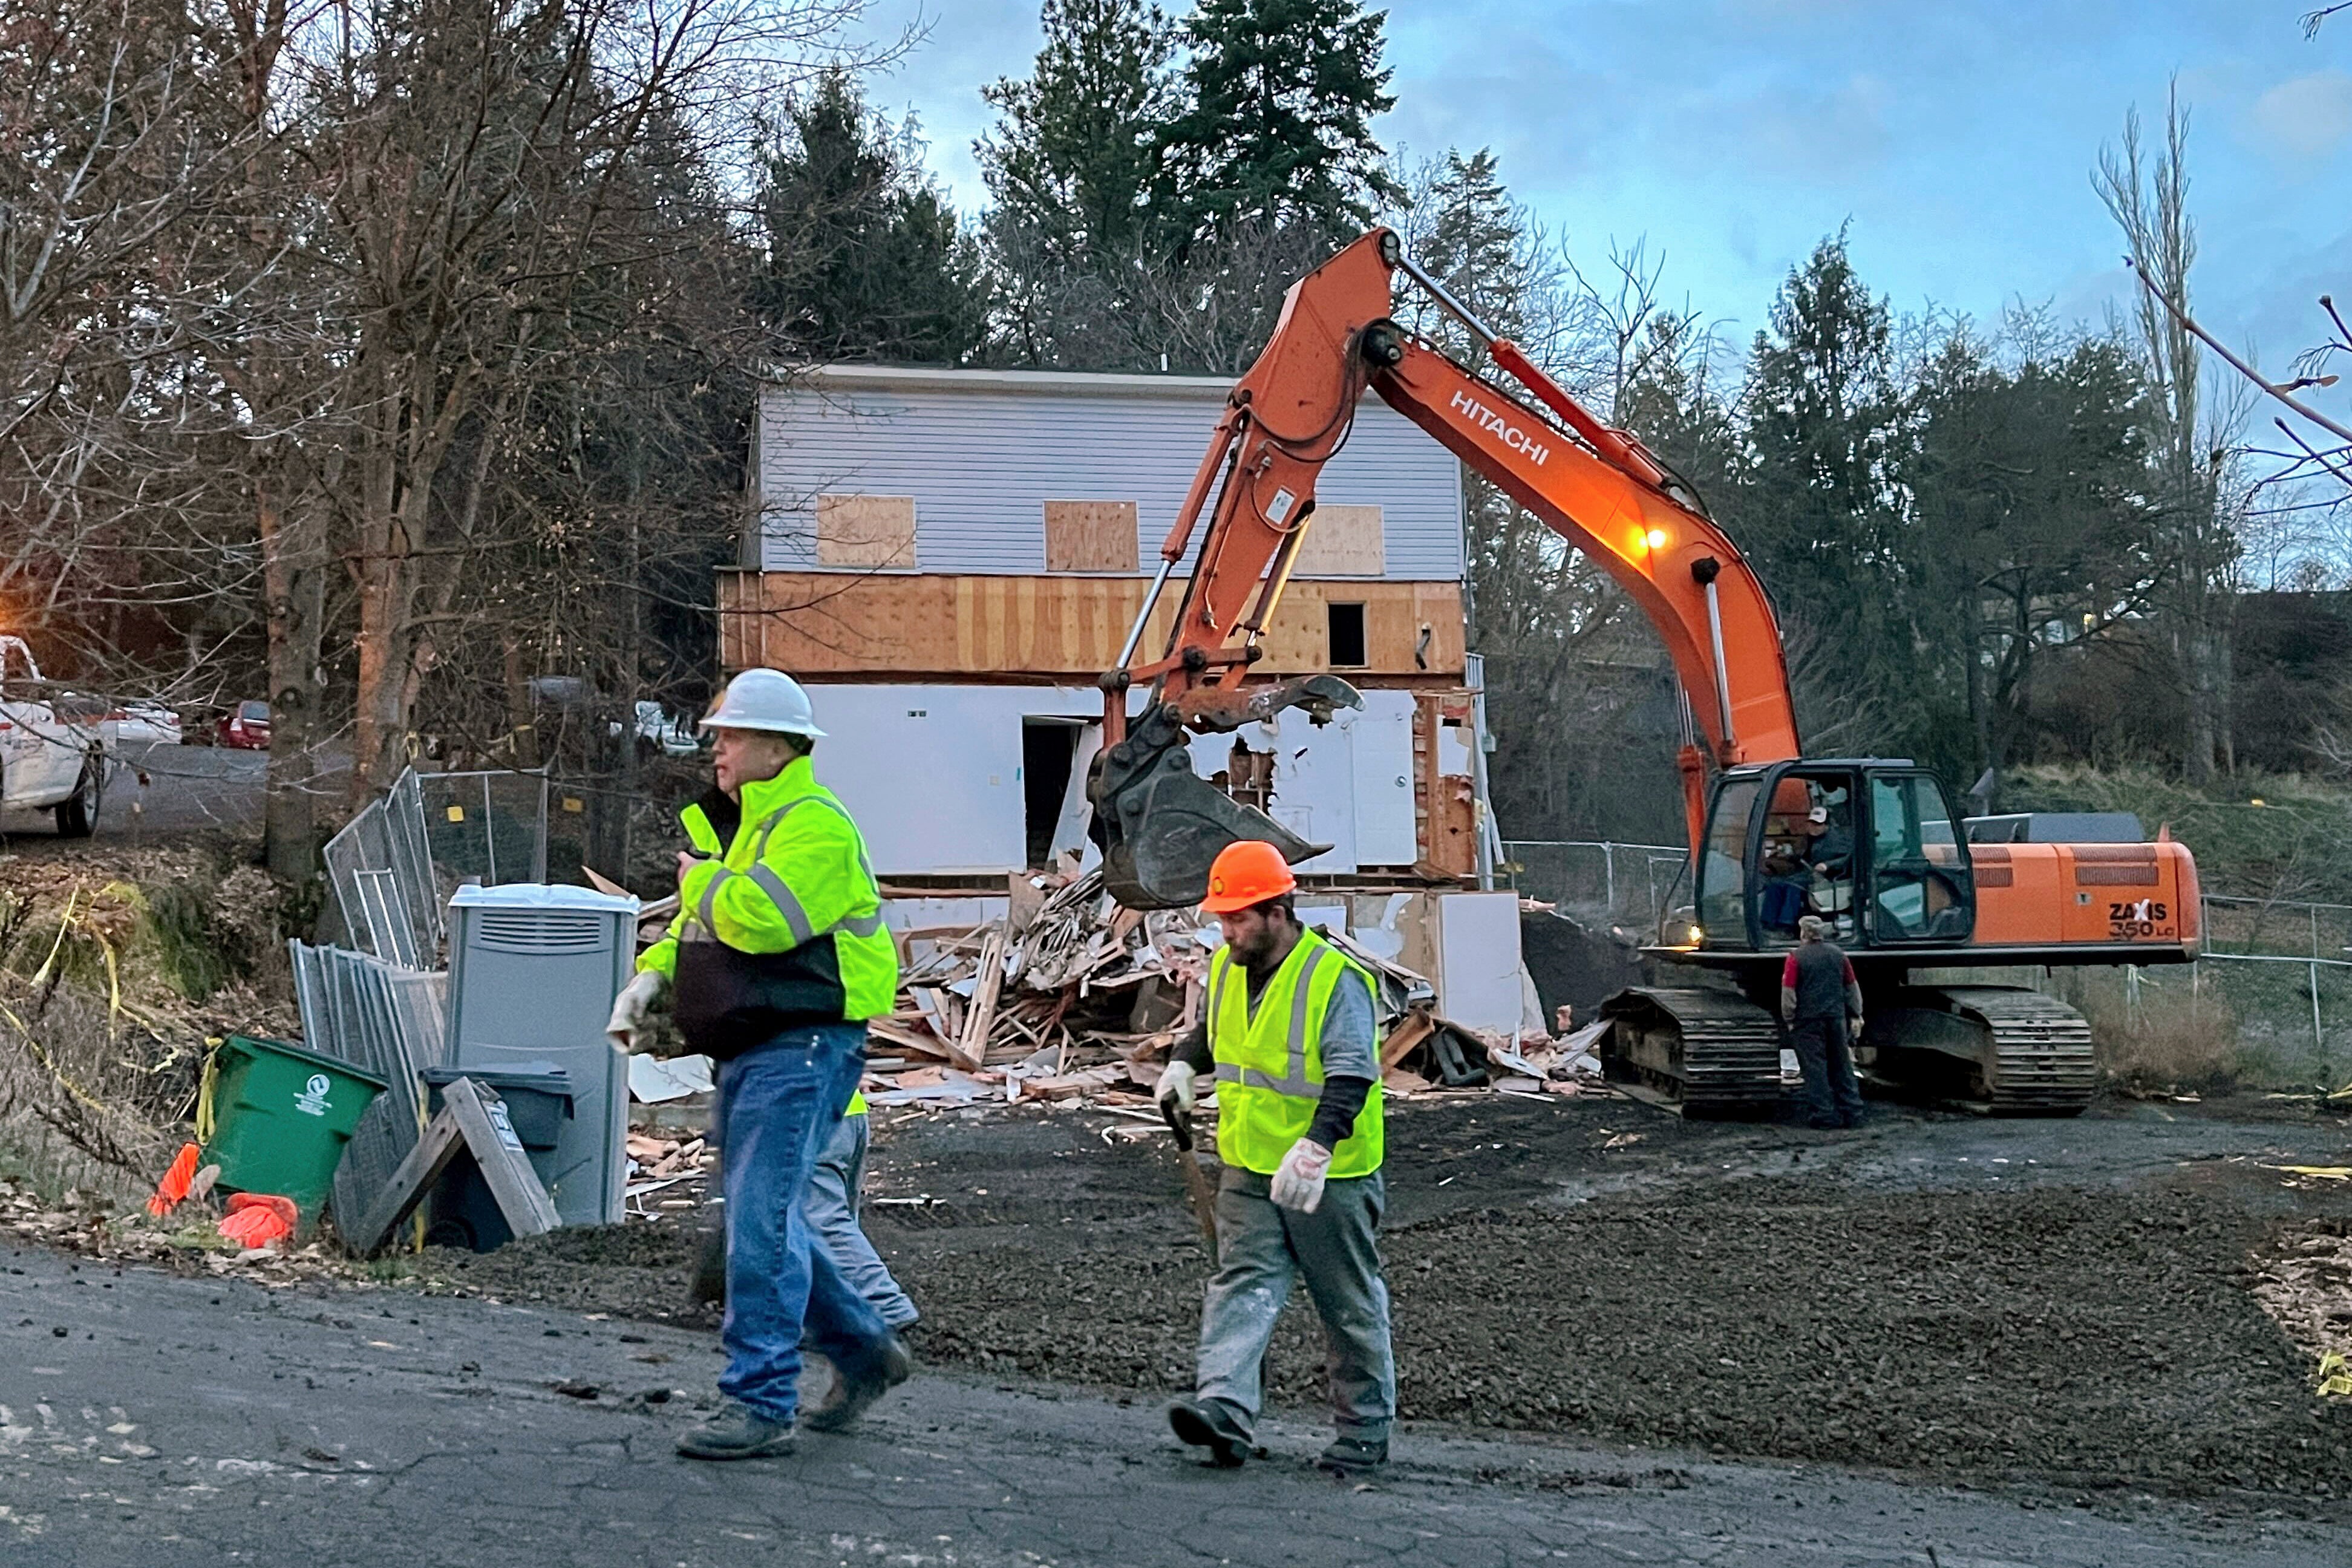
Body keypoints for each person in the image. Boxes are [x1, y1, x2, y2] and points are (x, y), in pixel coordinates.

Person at [606, 668, 909, 1461]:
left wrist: (700, 881)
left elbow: (763, 922)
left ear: (779, 746)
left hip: (802, 1047)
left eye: (733, 736)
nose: (720, 750)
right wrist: (654, 975)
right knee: (768, 1220)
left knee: (759, 1225)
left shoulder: (813, 826)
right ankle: (864, 1349)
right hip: (759, 1048)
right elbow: (710, 932)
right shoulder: (749, 832)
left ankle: (762, 1400)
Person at [1155, 840, 1394, 1477]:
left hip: (1330, 1175)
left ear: (1278, 911)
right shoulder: (1229, 968)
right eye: (1223, 918)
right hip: (1251, 1165)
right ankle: (1225, 1414)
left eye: (1239, 918)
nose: (1228, 930)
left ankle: (1363, 1435)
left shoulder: (1334, 980)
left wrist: (1316, 1149)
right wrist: (1183, 1063)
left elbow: (1351, 1076)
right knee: (1243, 1285)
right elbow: (1212, 1033)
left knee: (1345, 1302)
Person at [1781, 915, 1866, 1129]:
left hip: (1808, 1021)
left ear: (1803, 933)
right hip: (1836, 1018)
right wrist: (1856, 1014)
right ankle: (1853, 1113)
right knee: (1842, 1064)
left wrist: (1789, 1019)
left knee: (1814, 1068)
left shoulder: (1795, 958)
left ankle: (1824, 1115)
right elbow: (1852, 988)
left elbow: (1789, 992)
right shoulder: (1839, 955)